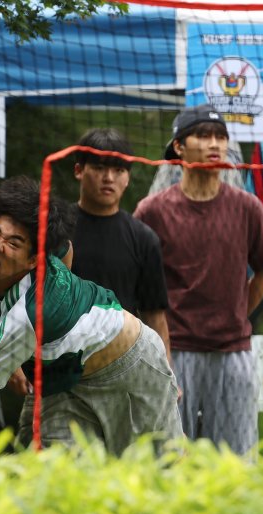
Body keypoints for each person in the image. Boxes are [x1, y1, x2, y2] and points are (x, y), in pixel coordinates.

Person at [0, 176, 182, 455]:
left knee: (155, 470)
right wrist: (22, 351)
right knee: (48, 473)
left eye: (14, 242)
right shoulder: (6, 267)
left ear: (34, 259)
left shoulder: (28, 315)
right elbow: (66, 247)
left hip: (131, 366)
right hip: (65, 379)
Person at [135, 104, 263, 455]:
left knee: (234, 462)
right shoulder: (152, 211)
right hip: (172, 354)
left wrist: (240, 312)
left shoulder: (247, 207)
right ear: (179, 147)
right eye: (203, 136)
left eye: (221, 137)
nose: (215, 144)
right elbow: (136, 284)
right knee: (168, 459)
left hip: (233, 353)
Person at [71, 128, 171, 363]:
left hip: (122, 363)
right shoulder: (54, 229)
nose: (109, 178)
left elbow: (154, 314)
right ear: (79, 170)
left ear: (127, 178)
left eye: (119, 170)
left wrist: (167, 373)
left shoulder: (144, 238)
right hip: (59, 364)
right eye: (99, 168)